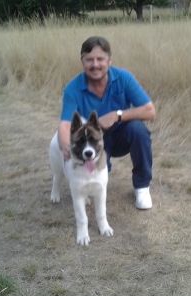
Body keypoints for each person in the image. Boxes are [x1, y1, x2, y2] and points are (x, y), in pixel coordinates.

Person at [56, 36, 156, 210]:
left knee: (138, 130)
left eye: (100, 59)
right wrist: (66, 148)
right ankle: (87, 183)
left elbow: (150, 111)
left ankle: (141, 187)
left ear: (109, 61)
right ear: (82, 62)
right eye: (89, 60)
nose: (95, 64)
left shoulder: (124, 78)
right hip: (92, 143)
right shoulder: (72, 88)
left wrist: (117, 115)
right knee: (97, 176)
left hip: (121, 135)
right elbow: (64, 125)